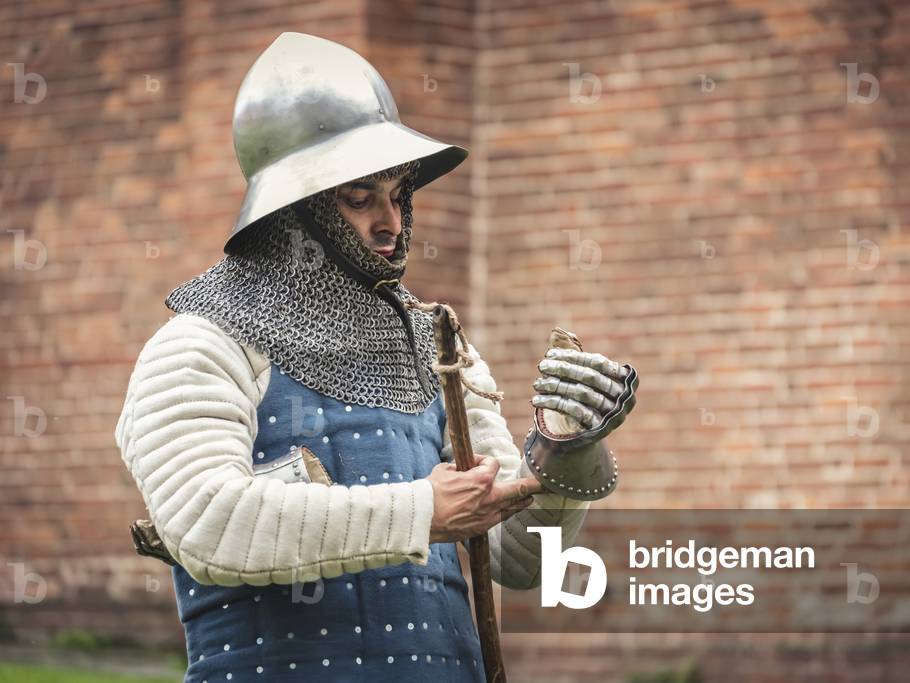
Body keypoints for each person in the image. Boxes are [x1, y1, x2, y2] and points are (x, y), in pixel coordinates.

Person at [114, 32, 637, 682]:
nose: (389, 221)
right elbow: (206, 524)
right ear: (292, 207)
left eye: (398, 194)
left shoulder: (438, 348)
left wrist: (566, 446)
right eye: (359, 198)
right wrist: (422, 511)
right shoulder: (201, 344)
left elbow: (517, 558)